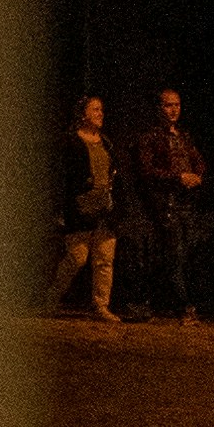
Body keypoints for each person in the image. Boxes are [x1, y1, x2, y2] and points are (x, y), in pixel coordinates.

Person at [130, 82, 209, 320]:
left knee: (182, 254)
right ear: (159, 108)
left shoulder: (184, 136)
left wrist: (197, 176)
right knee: (174, 254)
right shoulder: (150, 137)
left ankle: (147, 301)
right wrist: (178, 178)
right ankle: (184, 306)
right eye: (168, 105)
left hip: (186, 202)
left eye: (177, 105)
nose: (174, 110)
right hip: (166, 203)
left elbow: (198, 160)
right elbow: (146, 171)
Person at [49, 90, 122, 323]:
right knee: (77, 257)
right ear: (83, 114)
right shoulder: (71, 141)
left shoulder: (106, 142)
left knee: (104, 258)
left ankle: (101, 305)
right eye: (95, 110)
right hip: (80, 208)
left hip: (104, 209)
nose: (101, 114)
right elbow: (62, 177)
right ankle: (51, 298)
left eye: (101, 110)